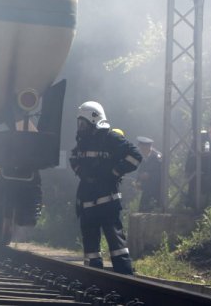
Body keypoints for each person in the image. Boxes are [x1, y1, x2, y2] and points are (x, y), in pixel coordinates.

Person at [69, 101, 143, 275]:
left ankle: (125, 280)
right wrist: (81, 171)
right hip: (87, 202)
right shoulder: (82, 141)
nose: (80, 127)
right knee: (91, 250)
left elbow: (136, 156)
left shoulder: (111, 138)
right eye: (79, 123)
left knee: (117, 245)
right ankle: (94, 280)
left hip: (107, 201)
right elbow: (73, 157)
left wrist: (115, 171)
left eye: (83, 123)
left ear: (94, 120)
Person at [135, 136, 162, 212]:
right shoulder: (143, 158)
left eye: (142, 148)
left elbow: (160, 174)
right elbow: (140, 171)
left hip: (156, 190)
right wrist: (138, 181)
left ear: (148, 147)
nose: (141, 150)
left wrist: (149, 175)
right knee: (142, 210)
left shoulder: (157, 157)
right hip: (146, 189)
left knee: (154, 210)